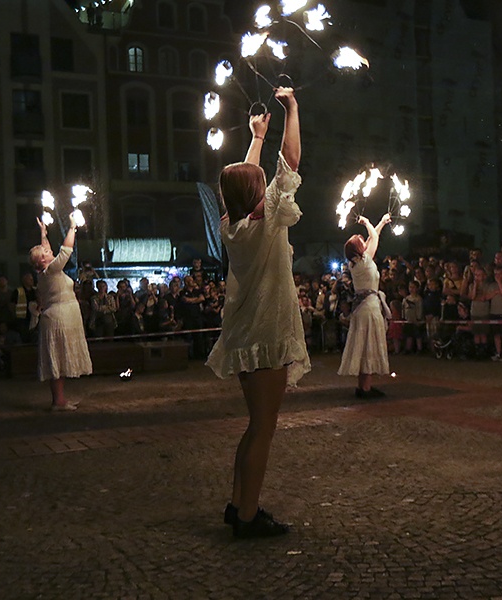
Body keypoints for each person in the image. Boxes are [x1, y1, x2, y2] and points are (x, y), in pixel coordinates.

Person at [205, 87, 308, 539]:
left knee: (253, 427)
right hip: (267, 334)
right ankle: (247, 517)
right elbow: (291, 164)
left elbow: (245, 184)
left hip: (247, 334)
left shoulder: (232, 225)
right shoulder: (267, 225)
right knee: (264, 429)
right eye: (261, 183)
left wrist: (255, 138)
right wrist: (292, 111)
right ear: (257, 192)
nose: (269, 183)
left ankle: (237, 504)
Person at [30, 214, 93, 411]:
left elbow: (47, 251)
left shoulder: (46, 271)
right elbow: (66, 251)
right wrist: (72, 227)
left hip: (61, 316)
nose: (49, 251)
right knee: (58, 358)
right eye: (46, 252)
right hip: (59, 318)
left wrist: (43, 233)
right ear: (42, 260)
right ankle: (58, 401)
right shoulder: (51, 271)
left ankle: (60, 400)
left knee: (59, 358)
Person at [337, 212, 393, 396]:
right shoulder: (364, 262)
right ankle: (366, 388)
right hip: (369, 309)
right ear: (358, 250)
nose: (364, 240)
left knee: (363, 346)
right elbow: (374, 238)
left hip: (362, 309)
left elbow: (371, 237)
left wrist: (382, 222)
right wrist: (367, 222)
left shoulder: (357, 263)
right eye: (360, 240)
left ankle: (362, 386)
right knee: (369, 346)